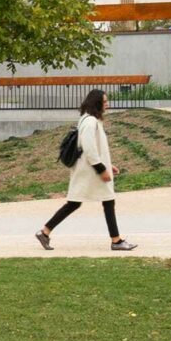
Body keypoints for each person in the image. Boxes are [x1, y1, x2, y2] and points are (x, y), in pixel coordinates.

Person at [36, 88, 136, 252]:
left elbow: (93, 148)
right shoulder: (90, 122)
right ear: (96, 104)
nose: (107, 105)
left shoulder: (88, 120)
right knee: (105, 201)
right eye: (104, 102)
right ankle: (116, 241)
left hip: (87, 169)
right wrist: (101, 169)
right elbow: (89, 149)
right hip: (90, 171)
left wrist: (107, 165)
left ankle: (45, 232)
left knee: (76, 203)